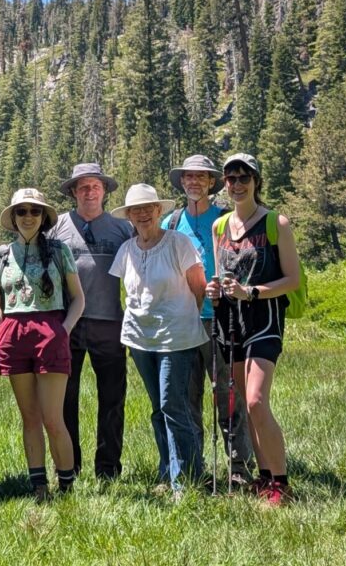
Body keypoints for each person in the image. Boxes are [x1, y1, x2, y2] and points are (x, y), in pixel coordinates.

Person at [206, 153, 300, 506]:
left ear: (256, 182)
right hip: (230, 322)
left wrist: (252, 292)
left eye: (244, 177)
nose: (237, 184)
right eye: (231, 178)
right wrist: (215, 290)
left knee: (257, 401)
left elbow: (292, 279)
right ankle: (264, 476)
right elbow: (221, 273)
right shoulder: (219, 227)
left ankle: (281, 483)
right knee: (245, 404)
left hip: (264, 319)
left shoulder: (276, 223)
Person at [108, 183, 207, 498]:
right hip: (139, 339)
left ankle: (186, 480)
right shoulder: (127, 250)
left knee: (172, 405)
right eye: (136, 210)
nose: (142, 214)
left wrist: (183, 318)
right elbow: (128, 293)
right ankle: (167, 471)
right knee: (157, 408)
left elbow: (199, 287)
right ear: (129, 215)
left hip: (176, 338)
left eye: (148, 208)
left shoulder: (178, 243)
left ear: (158, 210)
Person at [0, 188, 85, 502]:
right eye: (22, 211)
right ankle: (39, 486)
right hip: (14, 336)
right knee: (29, 418)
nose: (28, 217)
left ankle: (66, 486)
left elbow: (78, 298)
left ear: (43, 217)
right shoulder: (1, 255)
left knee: (52, 419)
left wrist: (63, 331)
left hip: (50, 333)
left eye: (34, 211)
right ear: (13, 217)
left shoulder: (59, 251)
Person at [164, 154, 254, 486]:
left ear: (211, 183)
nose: (194, 182)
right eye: (188, 177)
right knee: (187, 399)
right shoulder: (170, 223)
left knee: (228, 395)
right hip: (183, 321)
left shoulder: (226, 219)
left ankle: (239, 466)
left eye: (201, 177)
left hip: (221, 318)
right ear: (181, 182)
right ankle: (194, 465)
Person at [48, 162, 134, 482]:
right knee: (64, 398)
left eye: (95, 186)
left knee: (112, 398)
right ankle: (69, 466)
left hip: (109, 323)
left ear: (105, 191)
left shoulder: (122, 229)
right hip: (66, 324)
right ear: (73, 191)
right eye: (83, 187)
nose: (89, 192)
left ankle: (108, 469)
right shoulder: (56, 227)